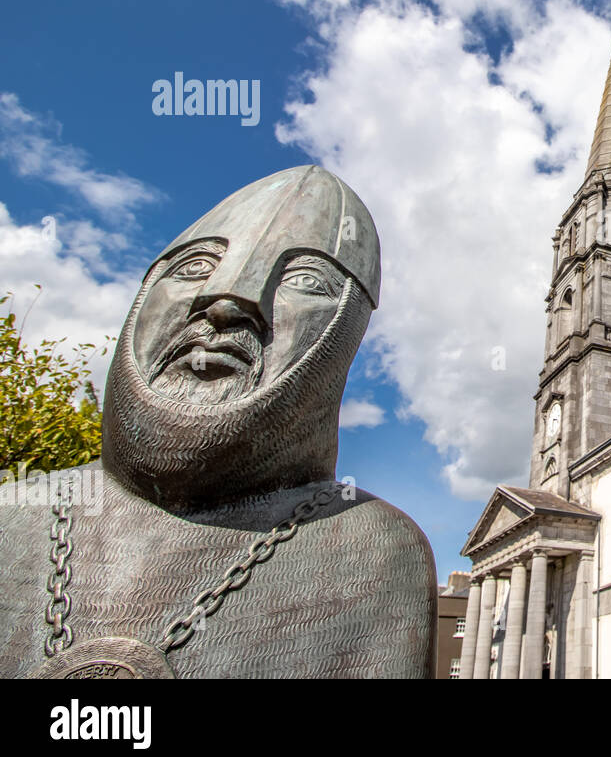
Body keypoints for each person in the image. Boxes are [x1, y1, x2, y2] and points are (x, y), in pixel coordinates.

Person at [0, 166, 437, 678]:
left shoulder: (377, 552)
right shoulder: (15, 511)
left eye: (305, 281)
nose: (231, 299)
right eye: (196, 266)